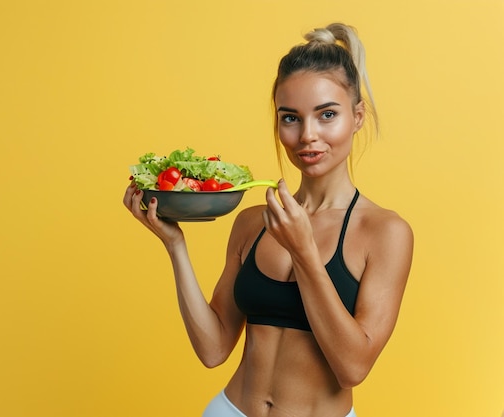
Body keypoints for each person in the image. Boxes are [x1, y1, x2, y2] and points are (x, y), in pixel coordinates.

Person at [123, 22, 413, 417]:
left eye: (327, 114)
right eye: (290, 118)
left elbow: (353, 367)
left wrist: (304, 252)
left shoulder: (384, 232)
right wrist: (174, 244)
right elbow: (213, 349)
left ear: (357, 116)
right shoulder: (252, 222)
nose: (308, 135)